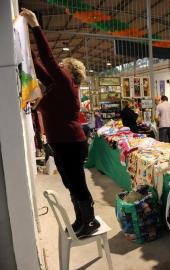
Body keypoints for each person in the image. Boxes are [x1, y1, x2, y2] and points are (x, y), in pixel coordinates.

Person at [22, 8, 99, 238]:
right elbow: (40, 68)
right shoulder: (58, 86)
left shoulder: (66, 83)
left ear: (69, 70)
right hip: (63, 142)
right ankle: (81, 219)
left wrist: (35, 25)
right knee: (69, 183)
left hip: (71, 143)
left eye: (63, 66)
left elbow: (47, 61)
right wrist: (25, 47)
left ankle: (90, 220)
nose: (60, 67)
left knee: (76, 183)